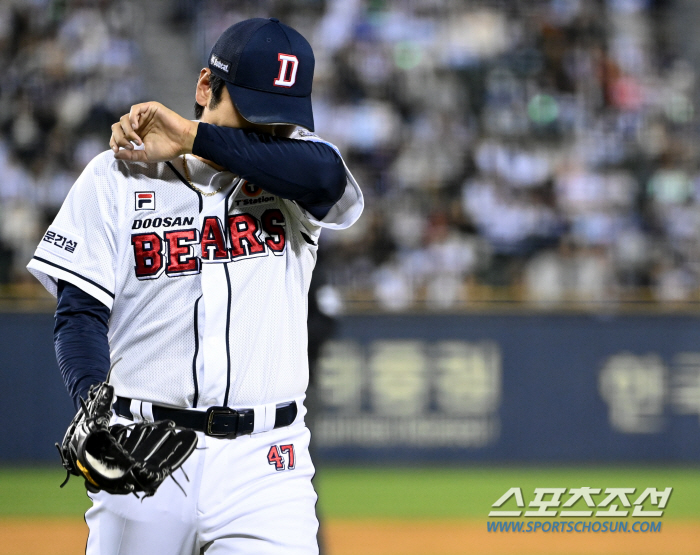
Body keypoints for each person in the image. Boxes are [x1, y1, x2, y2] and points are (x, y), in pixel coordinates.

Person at [27, 18, 363, 555]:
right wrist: (90, 399)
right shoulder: (115, 177)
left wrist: (189, 134)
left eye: (280, 121)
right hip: (143, 452)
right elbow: (79, 313)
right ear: (206, 87)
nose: (266, 133)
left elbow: (327, 175)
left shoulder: (297, 180)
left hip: (266, 467)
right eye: (252, 114)